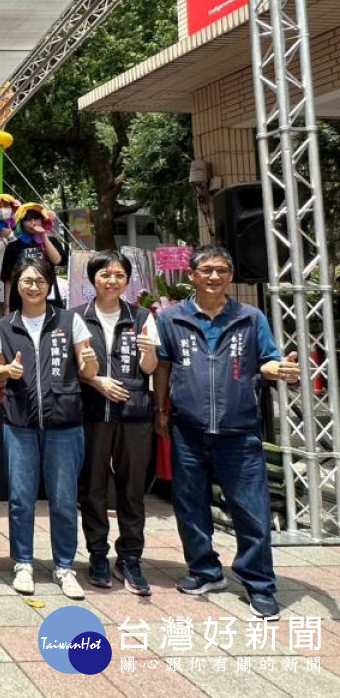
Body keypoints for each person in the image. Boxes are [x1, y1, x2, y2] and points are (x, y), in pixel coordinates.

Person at [153, 246, 298, 620]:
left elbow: (267, 360)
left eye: (221, 270)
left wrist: (277, 370)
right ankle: (205, 571)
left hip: (239, 431)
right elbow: (163, 366)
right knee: (190, 506)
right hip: (188, 429)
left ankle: (259, 584)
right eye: (206, 270)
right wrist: (160, 410)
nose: (214, 276)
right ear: (192, 275)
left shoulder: (250, 318)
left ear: (231, 276)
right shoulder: (171, 319)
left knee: (252, 511)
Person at [0, 258, 97, 601]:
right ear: (16, 285)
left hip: (64, 423)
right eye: (26, 281)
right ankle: (22, 562)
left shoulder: (69, 321)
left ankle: (64, 566)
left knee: (64, 499)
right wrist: (7, 371)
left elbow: (87, 367)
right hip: (19, 422)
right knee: (21, 499)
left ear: (50, 284)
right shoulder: (4, 326)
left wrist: (90, 362)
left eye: (40, 280)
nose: (33, 287)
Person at [73, 250, 159, 596]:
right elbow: (74, 366)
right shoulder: (76, 317)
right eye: (105, 275)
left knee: (131, 488)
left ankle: (130, 557)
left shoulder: (141, 317)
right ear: (92, 279)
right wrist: (98, 382)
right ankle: (97, 554)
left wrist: (149, 351)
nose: (112, 281)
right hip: (92, 413)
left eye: (119, 275)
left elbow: (149, 367)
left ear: (128, 280)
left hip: (134, 413)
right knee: (92, 487)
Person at [0, 203, 65, 313]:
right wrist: (7, 306)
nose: (33, 223)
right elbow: (8, 279)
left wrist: (43, 236)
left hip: (49, 298)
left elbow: (57, 260)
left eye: (36, 219)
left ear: (42, 221)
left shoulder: (51, 241)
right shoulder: (13, 246)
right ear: (21, 223)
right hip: (20, 300)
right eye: (28, 220)